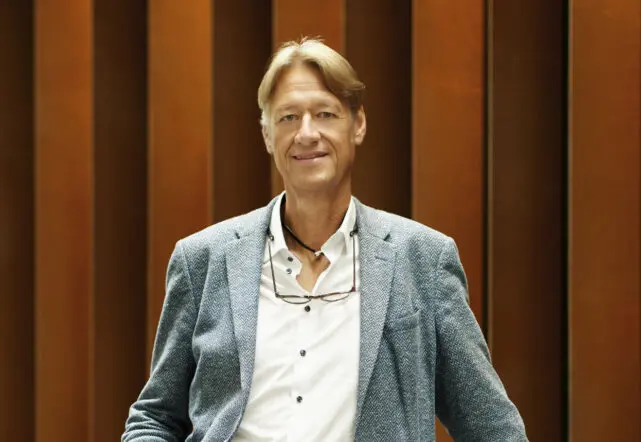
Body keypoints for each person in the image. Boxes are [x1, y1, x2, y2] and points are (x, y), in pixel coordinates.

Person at [122, 38, 527, 442]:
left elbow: (492, 426)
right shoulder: (202, 261)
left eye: (325, 114)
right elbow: (154, 419)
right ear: (267, 135)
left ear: (358, 124)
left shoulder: (423, 261)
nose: (306, 133)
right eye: (288, 117)